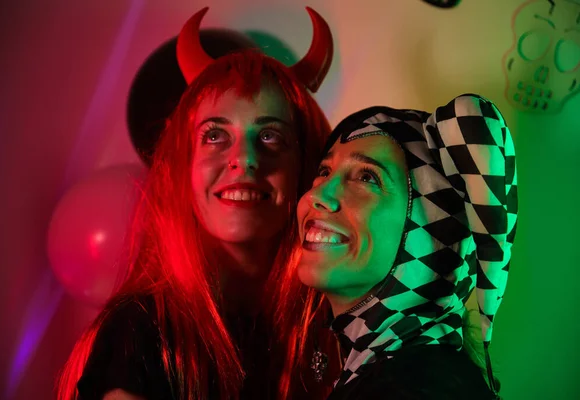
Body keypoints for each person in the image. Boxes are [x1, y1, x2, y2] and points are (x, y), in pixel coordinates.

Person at [56, 7, 334, 400]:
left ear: (305, 166)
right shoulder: (140, 330)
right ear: (184, 166)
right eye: (215, 136)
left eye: (271, 136)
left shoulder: (331, 321)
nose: (245, 158)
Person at [290, 94, 518, 399]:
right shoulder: (399, 369)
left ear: (433, 234)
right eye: (324, 171)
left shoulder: (418, 389)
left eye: (367, 177)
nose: (315, 196)